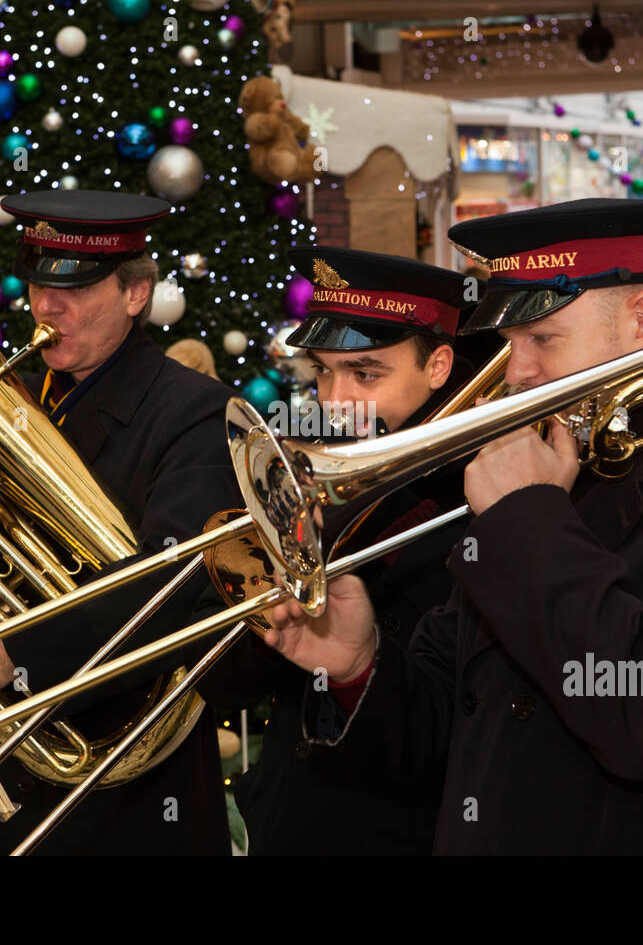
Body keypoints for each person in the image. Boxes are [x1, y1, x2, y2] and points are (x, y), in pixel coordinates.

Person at [260, 198, 643, 854]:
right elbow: (436, 732)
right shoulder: (536, 477)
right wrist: (358, 664)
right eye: (512, 344)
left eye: (543, 340)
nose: (517, 372)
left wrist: (526, 520)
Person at [0, 191, 240, 855]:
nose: (45, 304)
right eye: (37, 282)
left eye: (78, 286)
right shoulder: (11, 401)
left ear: (136, 295)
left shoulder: (197, 414)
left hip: (121, 792)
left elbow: (174, 584)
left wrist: (14, 655)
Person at [200, 245, 482, 854]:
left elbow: (441, 724)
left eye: (365, 374)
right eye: (324, 371)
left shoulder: (479, 491)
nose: (334, 401)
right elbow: (232, 684)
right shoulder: (330, 467)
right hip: (295, 815)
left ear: (438, 366)